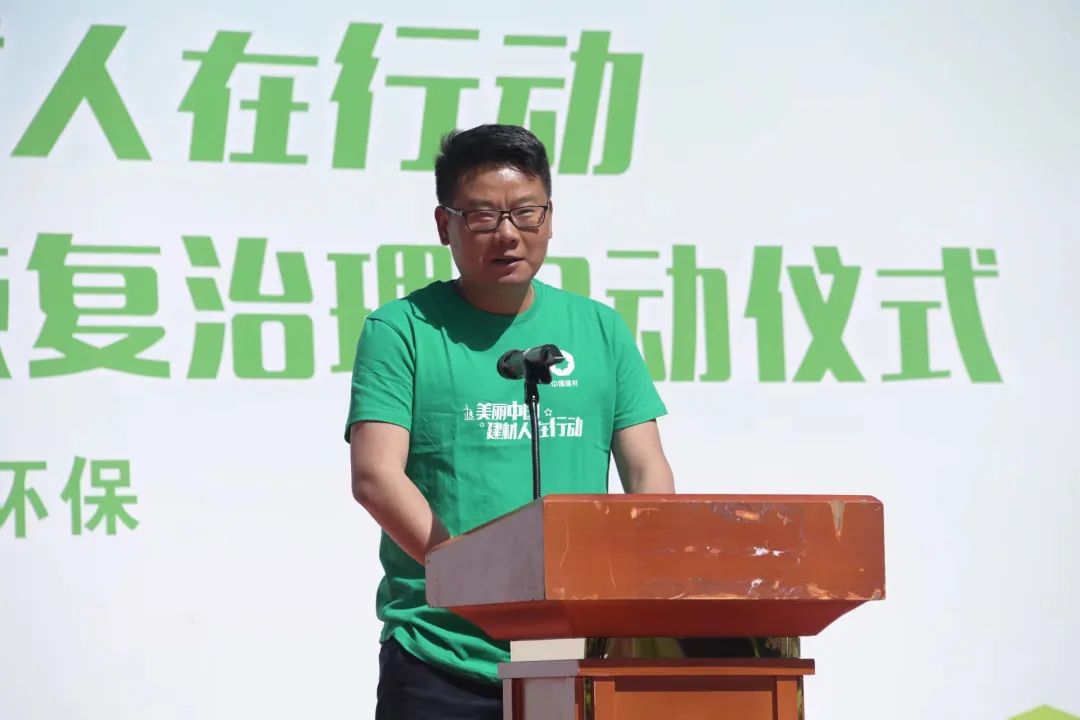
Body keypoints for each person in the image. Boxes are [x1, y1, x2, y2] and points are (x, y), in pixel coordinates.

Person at [344, 123, 675, 719]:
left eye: (526, 213)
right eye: (482, 216)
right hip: (440, 653)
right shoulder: (402, 330)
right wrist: (473, 578)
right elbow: (375, 476)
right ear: (444, 224)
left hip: (576, 652)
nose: (507, 234)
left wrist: (639, 592)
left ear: (549, 217)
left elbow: (648, 471)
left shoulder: (600, 329)